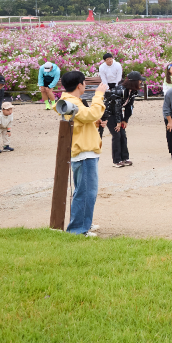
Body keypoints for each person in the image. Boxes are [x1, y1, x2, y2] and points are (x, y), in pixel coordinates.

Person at [56, 70, 107, 236]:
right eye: (84, 82)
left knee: (83, 190)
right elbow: (92, 113)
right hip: (84, 152)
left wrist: (93, 124)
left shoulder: (68, 100)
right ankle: (78, 229)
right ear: (80, 85)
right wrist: (99, 95)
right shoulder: (72, 102)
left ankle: (85, 222)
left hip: (83, 150)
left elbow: (84, 120)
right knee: (86, 192)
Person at [107, 71, 142, 167]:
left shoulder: (133, 91)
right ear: (134, 81)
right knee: (116, 135)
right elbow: (116, 107)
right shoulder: (121, 90)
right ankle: (117, 160)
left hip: (117, 113)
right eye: (139, 81)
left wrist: (125, 120)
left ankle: (125, 158)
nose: (141, 82)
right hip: (108, 112)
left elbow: (129, 106)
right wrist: (118, 122)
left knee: (123, 134)